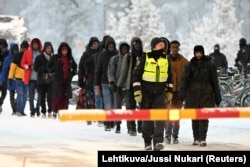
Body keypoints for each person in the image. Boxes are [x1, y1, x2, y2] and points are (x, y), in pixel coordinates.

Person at [132, 37, 173, 151]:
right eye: (160, 44)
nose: (162, 46)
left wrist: (169, 92)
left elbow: (170, 77)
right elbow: (136, 75)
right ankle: (147, 142)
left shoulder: (166, 58)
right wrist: (137, 92)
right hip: (146, 93)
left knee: (160, 118)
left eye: (163, 45)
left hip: (160, 93)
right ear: (154, 46)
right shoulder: (145, 56)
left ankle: (158, 142)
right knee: (147, 119)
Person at [179, 45, 221, 147]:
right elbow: (184, 80)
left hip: (206, 94)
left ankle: (203, 138)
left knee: (204, 117)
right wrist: (182, 94)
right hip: (193, 94)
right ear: (194, 53)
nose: (198, 55)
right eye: (197, 53)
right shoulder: (190, 65)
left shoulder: (209, 65)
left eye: (200, 52)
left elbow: (215, 81)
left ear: (203, 53)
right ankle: (196, 138)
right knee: (194, 117)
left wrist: (217, 97)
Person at [117, 37, 144, 136]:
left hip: (142, 85)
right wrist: (119, 85)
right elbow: (124, 72)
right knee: (130, 107)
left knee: (142, 106)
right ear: (132, 45)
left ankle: (141, 125)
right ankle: (132, 127)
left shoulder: (145, 56)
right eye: (135, 43)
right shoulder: (128, 56)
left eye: (138, 43)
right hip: (129, 85)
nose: (137, 45)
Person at [165, 40, 188, 144]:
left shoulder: (184, 61)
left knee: (176, 115)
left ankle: (175, 136)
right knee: (168, 113)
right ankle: (167, 135)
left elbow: (188, 75)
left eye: (176, 47)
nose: (174, 49)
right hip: (169, 91)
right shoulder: (165, 60)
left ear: (179, 48)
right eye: (172, 47)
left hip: (179, 92)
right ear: (170, 49)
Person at [47, 42, 77, 119]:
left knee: (65, 98)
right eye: (63, 50)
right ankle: (55, 112)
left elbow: (75, 66)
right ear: (60, 50)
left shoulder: (70, 58)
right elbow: (48, 66)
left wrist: (72, 73)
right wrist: (52, 73)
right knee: (56, 97)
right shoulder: (55, 57)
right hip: (57, 81)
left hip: (66, 81)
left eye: (65, 50)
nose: (64, 51)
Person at [94, 36, 118, 131]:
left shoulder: (117, 55)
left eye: (112, 46)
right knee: (107, 103)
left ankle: (112, 121)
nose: (111, 48)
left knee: (114, 104)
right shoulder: (102, 56)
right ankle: (107, 123)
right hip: (104, 83)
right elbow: (98, 71)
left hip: (115, 82)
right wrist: (96, 85)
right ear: (107, 46)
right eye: (109, 46)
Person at [107, 41, 130, 133]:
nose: (124, 50)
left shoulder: (130, 58)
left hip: (128, 86)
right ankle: (118, 125)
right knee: (117, 106)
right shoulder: (115, 59)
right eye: (122, 49)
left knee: (129, 106)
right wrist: (112, 82)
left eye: (126, 49)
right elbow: (110, 71)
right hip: (117, 86)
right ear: (120, 49)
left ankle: (130, 126)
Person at [77, 37, 100, 125]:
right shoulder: (86, 54)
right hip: (89, 79)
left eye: (97, 44)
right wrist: (80, 79)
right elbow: (81, 68)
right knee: (89, 99)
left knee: (97, 99)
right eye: (94, 44)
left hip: (98, 80)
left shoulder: (100, 53)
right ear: (91, 44)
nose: (96, 46)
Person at [21, 38, 42, 117]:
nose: (35, 45)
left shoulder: (41, 53)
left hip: (40, 78)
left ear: (39, 44)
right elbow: (22, 64)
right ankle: (32, 111)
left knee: (40, 96)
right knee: (31, 96)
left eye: (37, 44)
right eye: (34, 44)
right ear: (31, 44)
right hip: (30, 78)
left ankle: (37, 109)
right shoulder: (27, 53)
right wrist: (29, 66)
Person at [8, 40, 29, 116]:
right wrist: (10, 77)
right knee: (20, 94)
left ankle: (22, 111)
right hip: (18, 78)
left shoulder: (29, 56)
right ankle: (18, 111)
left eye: (26, 48)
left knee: (25, 95)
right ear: (21, 48)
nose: (24, 49)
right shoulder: (17, 56)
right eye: (23, 48)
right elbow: (12, 68)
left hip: (26, 79)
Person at [34, 42, 54, 118]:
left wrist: (51, 70)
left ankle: (50, 111)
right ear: (44, 49)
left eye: (50, 48)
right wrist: (44, 68)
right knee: (42, 97)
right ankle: (43, 112)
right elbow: (35, 68)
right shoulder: (39, 57)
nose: (49, 49)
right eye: (48, 48)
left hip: (51, 80)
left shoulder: (54, 57)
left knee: (50, 97)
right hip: (41, 81)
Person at [0, 43, 19, 115]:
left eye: (17, 50)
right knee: (12, 95)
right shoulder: (7, 59)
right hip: (10, 79)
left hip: (19, 79)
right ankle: (14, 110)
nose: (16, 51)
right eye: (14, 50)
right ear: (11, 50)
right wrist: (1, 80)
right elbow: (4, 70)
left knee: (20, 95)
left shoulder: (20, 57)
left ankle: (16, 108)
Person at [0, 39, 9, 113]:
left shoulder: (8, 53)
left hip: (5, 75)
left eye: (3, 45)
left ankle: (0, 103)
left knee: (4, 92)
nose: (2, 47)